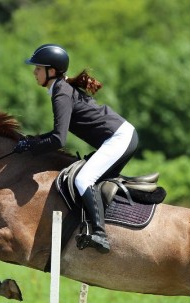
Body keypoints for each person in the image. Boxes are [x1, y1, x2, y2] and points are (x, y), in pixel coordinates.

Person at [16, 44, 139, 254]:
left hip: (119, 138)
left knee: (83, 179)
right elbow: (56, 134)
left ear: (51, 71)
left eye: (38, 68)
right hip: (122, 137)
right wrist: (32, 141)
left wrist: (32, 146)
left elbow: (58, 139)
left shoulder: (61, 93)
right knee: (87, 179)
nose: (34, 72)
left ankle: (100, 233)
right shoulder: (61, 89)